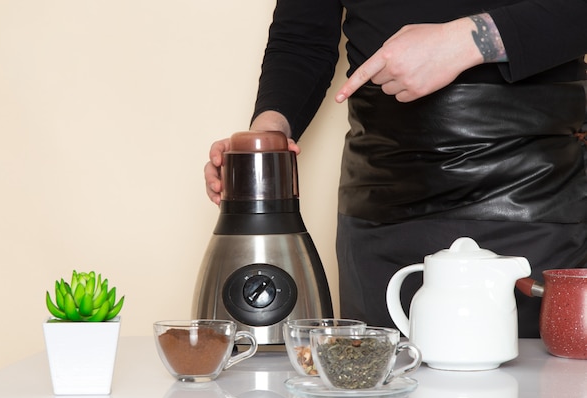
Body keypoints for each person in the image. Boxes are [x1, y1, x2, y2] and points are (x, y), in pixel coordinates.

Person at [205, 1, 587, 338]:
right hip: (378, 208)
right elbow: (301, 38)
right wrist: (265, 140)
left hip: (533, 196)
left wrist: (469, 39)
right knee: (380, 387)